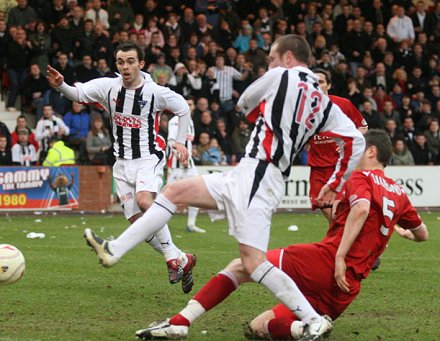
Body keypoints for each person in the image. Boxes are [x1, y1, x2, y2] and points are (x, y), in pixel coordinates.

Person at [82, 35, 365, 339]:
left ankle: (311, 318)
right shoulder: (324, 103)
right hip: (252, 173)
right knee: (175, 193)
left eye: (271, 58)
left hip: (259, 174)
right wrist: (336, 183)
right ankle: (122, 256)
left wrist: (259, 115)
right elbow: (356, 140)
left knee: (252, 263)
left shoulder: (281, 74)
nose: (268, 63)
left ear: (287, 56)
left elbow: (244, 103)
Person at [135, 130, 428, 341]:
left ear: (371, 151)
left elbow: (362, 209)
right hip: (347, 287)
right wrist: (398, 229)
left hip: (326, 263)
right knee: (258, 328)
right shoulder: (399, 192)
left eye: (358, 146)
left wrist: (339, 256)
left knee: (243, 266)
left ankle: (180, 322)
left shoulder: (360, 177)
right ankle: (307, 328)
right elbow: (423, 234)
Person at [46, 41, 196, 293]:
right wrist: (61, 85)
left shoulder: (154, 92)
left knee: (146, 202)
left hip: (149, 155)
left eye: (130, 62)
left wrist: (180, 142)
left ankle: (171, 258)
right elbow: (78, 94)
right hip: (122, 162)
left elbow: (183, 109)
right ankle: (182, 259)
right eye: (120, 62)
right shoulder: (109, 87)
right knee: (139, 222)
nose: (125, 67)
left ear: (141, 64)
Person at [309, 69, 368, 222]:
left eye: (321, 82)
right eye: (313, 82)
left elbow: (363, 126)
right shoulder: (304, 108)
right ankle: (341, 242)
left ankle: (341, 243)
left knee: (339, 213)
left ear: (328, 85)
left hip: (340, 165)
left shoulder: (343, 104)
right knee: (327, 210)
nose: (316, 85)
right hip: (318, 167)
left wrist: (346, 141)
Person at [166, 97, 206, 233]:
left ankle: (191, 224)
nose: (189, 106)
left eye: (191, 104)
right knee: (168, 195)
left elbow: (187, 141)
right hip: (177, 164)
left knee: (196, 191)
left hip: (189, 163)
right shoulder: (175, 120)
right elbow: (171, 141)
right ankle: (157, 224)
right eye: (187, 104)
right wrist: (179, 155)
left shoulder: (190, 121)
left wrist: (189, 152)